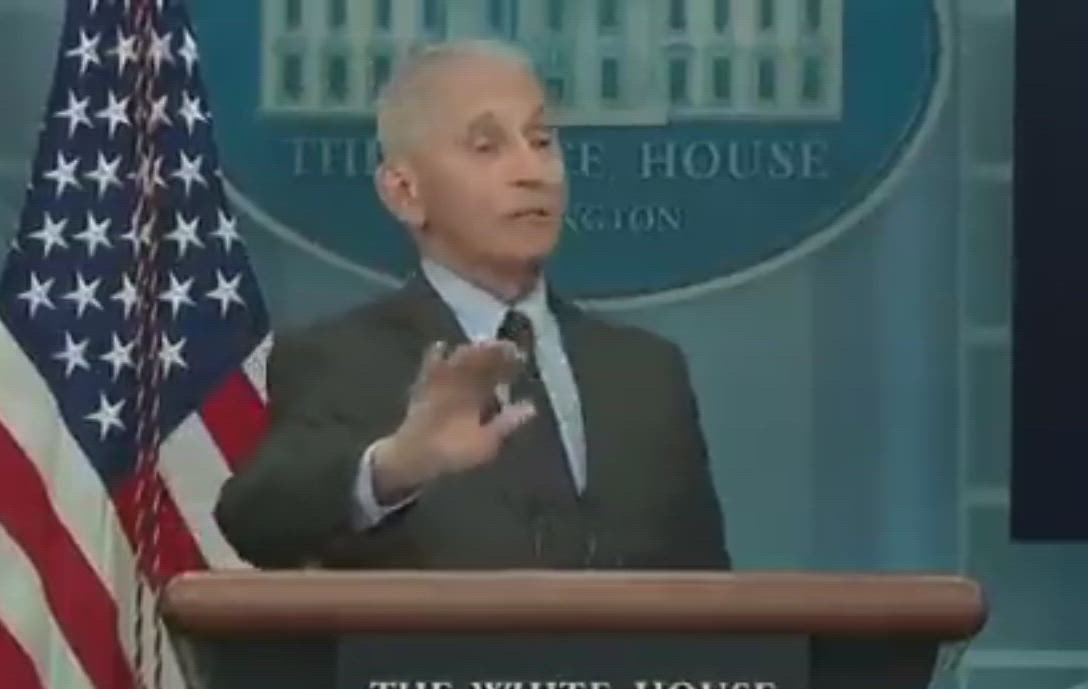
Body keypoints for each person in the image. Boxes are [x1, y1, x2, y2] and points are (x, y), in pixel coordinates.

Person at [214, 39, 730, 571]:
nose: (533, 172)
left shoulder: (648, 372)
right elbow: (254, 520)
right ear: (405, 192)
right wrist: (397, 464)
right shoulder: (339, 359)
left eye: (542, 140)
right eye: (487, 147)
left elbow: (710, 593)